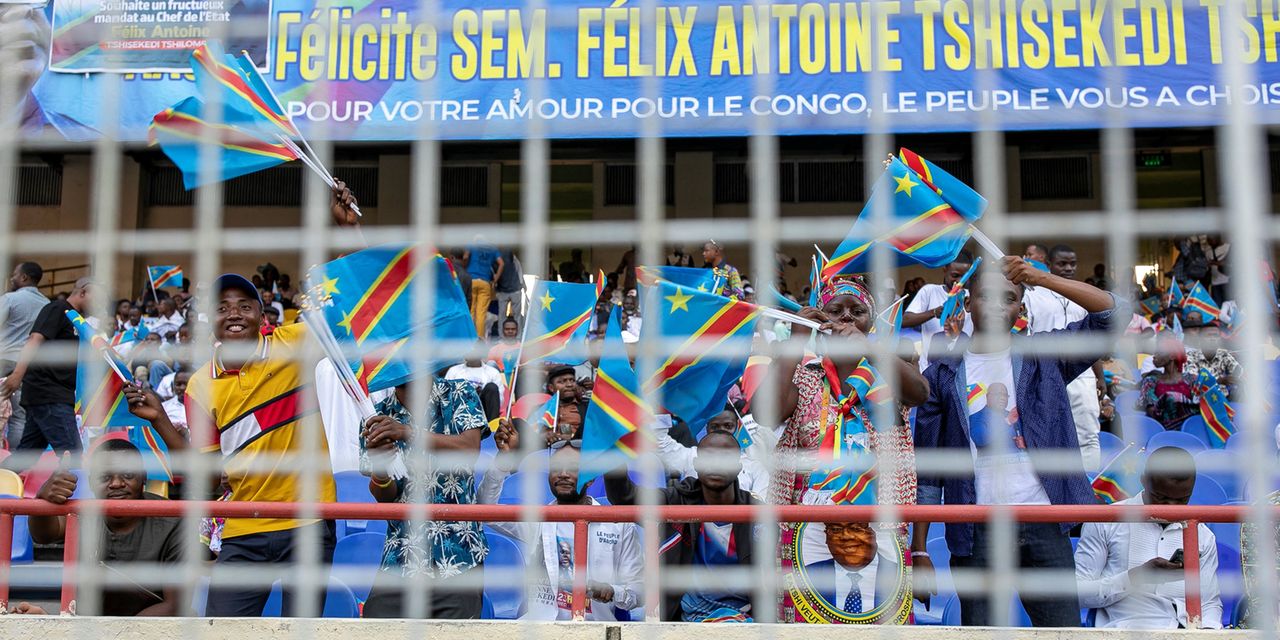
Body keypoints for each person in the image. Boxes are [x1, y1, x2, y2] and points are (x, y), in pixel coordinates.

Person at [912, 256, 1122, 627]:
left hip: (1043, 520)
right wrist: (919, 549)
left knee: (1063, 633)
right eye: (986, 297)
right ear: (966, 302)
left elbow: (1110, 315)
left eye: (1007, 299)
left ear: (1020, 308)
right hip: (976, 529)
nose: (996, 306)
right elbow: (929, 471)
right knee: (981, 633)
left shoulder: (1044, 356)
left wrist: (1044, 278)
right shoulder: (942, 375)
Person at [125, 272, 340, 617]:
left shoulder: (296, 342)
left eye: (244, 306)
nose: (234, 314)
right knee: (221, 629)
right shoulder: (199, 385)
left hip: (308, 522)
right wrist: (161, 421)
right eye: (223, 308)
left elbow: (350, 306)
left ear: (262, 313)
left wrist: (350, 230)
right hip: (242, 526)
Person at [769, 273, 929, 622]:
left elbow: (921, 393)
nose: (845, 318)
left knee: (882, 620)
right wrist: (796, 340)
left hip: (881, 526)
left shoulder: (888, 367)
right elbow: (767, 414)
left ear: (871, 322)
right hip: (806, 530)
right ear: (818, 320)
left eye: (857, 312)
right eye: (835, 311)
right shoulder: (803, 372)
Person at [480, 425, 643, 621]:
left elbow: (639, 589)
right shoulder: (537, 519)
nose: (563, 474)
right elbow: (485, 509)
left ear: (590, 479)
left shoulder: (619, 525)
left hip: (595, 631)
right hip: (541, 629)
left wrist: (612, 591)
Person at [359, 379, 489, 619]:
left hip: (459, 558)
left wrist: (408, 432)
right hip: (401, 557)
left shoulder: (459, 392)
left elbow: (469, 449)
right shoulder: (375, 415)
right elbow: (385, 497)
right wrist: (380, 470)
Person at [606, 431, 760, 622]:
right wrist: (612, 448)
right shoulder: (677, 500)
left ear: (738, 467)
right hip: (685, 622)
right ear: (695, 465)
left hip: (746, 623)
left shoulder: (756, 512)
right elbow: (624, 498)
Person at [20, 438, 183, 616]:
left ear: (144, 476)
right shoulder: (82, 513)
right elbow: (42, 535)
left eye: (127, 475)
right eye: (105, 477)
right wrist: (43, 497)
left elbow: (174, 605)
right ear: (91, 482)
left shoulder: (172, 520)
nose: (116, 483)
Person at [1075, 447, 1223, 629]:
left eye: (1183, 500)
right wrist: (1135, 578)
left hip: (1186, 633)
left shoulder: (1203, 535)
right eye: (1161, 498)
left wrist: (1209, 632)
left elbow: (1209, 603)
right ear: (1144, 481)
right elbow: (1078, 594)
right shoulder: (1106, 521)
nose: (1171, 508)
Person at [1023, 243, 1104, 470]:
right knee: (1047, 434)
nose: (1068, 268)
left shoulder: (1083, 294)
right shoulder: (1032, 295)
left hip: (1082, 376)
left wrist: (1100, 377)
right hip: (1045, 374)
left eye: (1072, 263)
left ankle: (1089, 490)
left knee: (1088, 434)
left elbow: (1093, 337)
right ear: (1048, 265)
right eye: (1062, 263)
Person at [0, 277, 97, 458]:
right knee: (73, 455)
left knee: (26, 456)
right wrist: (17, 375)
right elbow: (34, 340)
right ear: (83, 292)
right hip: (49, 393)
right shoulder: (58, 309)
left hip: (53, 393)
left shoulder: (78, 321)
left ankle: (5, 480)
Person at [654, 405, 770, 495]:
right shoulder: (692, 456)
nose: (722, 431)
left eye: (728, 426)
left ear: (737, 428)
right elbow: (660, 443)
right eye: (715, 427)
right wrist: (662, 401)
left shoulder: (754, 467)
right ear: (707, 428)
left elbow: (761, 509)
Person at [803, 522, 903, 616]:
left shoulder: (899, 574)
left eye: (856, 528)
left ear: (874, 533)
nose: (847, 536)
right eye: (836, 529)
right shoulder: (808, 576)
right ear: (826, 537)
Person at [901, 251, 976, 370]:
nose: (959, 281)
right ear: (945, 269)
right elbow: (904, 320)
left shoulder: (971, 297)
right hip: (930, 369)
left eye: (965, 276)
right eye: (955, 275)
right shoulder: (929, 291)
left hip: (963, 370)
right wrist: (934, 312)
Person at [0, 261, 47, 447]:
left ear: (24, 277)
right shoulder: (47, 304)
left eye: (15, 274)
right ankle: (12, 468)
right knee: (19, 417)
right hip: (28, 366)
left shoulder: (9, 299)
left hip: (3, 361)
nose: (12, 278)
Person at [1137, 339, 1199, 430]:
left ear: (1172, 356)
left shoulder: (1191, 379)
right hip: (1161, 430)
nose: (1154, 356)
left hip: (1191, 428)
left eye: (1159, 353)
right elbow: (1153, 412)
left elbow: (1198, 406)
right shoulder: (1150, 381)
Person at [463, 239, 505, 336]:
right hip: (485, 282)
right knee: (481, 313)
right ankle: (480, 338)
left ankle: (469, 336)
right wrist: (495, 280)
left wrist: (465, 268)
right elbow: (501, 263)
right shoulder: (493, 248)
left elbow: (465, 257)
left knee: (471, 310)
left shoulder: (472, 244)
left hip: (471, 280)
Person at [494, 248, 525, 330]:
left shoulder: (494, 257)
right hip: (515, 289)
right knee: (517, 315)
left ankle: (502, 337)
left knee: (502, 315)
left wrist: (495, 287)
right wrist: (522, 284)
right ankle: (518, 337)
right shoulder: (511, 255)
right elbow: (519, 270)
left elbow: (494, 274)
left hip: (503, 290)